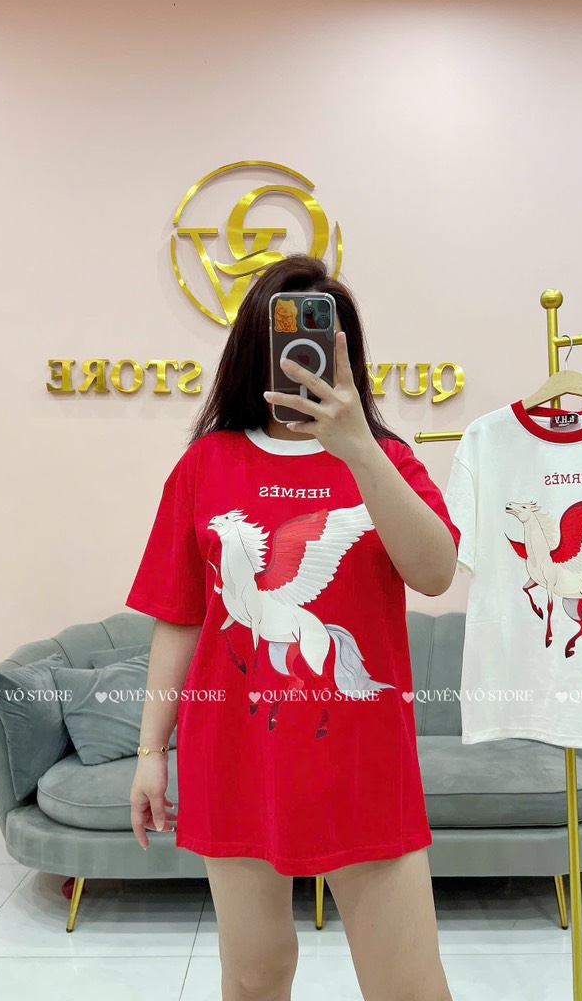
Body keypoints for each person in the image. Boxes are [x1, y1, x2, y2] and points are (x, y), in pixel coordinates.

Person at [126, 254, 460, 1001]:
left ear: (346, 351)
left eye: (321, 338)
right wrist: (150, 752)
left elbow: (436, 572)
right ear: (257, 347)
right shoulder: (205, 466)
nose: (303, 356)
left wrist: (359, 448)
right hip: (233, 759)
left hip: (363, 764)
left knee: (409, 986)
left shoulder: (387, 460)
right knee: (254, 977)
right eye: (287, 337)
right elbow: (180, 618)